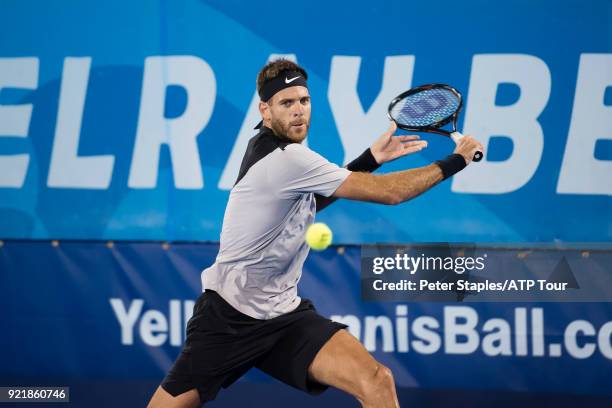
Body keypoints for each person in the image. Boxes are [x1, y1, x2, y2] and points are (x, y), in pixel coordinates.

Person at [147, 59, 483, 408]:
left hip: (282, 315)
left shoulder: (288, 155)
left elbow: (309, 203)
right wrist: (457, 160)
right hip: (228, 317)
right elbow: (391, 193)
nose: (298, 112)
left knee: (376, 381)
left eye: (303, 101)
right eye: (286, 103)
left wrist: (370, 158)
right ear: (265, 109)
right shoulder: (285, 159)